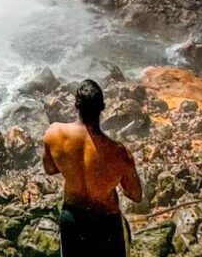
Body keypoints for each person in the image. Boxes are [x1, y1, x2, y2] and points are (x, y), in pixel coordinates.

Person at [43, 79, 143, 256]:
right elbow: (135, 195)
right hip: (106, 224)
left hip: (72, 219)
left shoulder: (54, 133)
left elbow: (50, 169)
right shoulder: (119, 153)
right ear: (102, 108)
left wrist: (72, 168)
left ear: (76, 106)